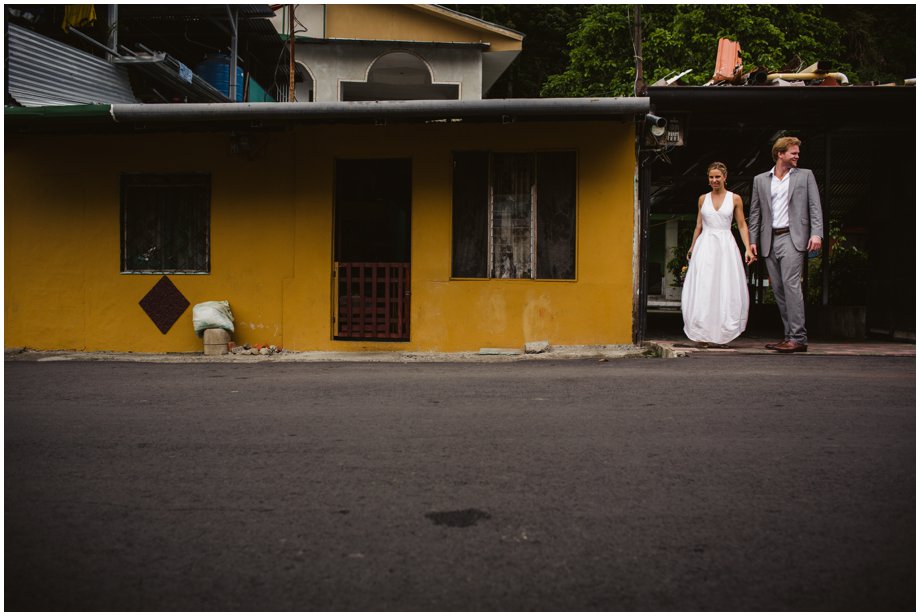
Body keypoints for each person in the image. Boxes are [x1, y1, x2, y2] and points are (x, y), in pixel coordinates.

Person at [749, 136, 823, 353]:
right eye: (793, 152)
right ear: (780, 154)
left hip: (793, 237)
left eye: (797, 153)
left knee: (791, 286)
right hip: (768, 239)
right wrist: (752, 240)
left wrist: (816, 234)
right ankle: (789, 335)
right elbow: (755, 212)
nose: (797, 156)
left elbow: (815, 206)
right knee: (778, 289)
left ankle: (799, 337)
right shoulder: (761, 180)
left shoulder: (805, 176)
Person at [681, 162, 755, 347]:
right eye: (711, 177)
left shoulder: (735, 198)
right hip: (705, 245)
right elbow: (699, 225)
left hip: (725, 245)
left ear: (725, 177)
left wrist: (747, 247)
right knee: (704, 287)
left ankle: (723, 334)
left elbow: (742, 225)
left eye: (717, 177)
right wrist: (692, 247)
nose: (714, 180)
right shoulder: (702, 199)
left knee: (724, 286)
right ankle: (703, 333)